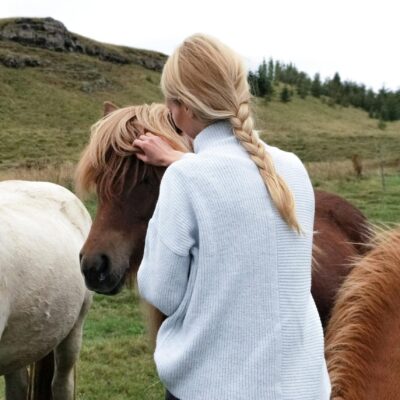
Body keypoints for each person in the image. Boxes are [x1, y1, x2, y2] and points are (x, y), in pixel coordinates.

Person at [134, 34, 331, 400]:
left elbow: (163, 292)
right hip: (303, 387)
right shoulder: (293, 169)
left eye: (171, 101)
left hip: (213, 388)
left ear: (184, 108)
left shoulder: (185, 179)